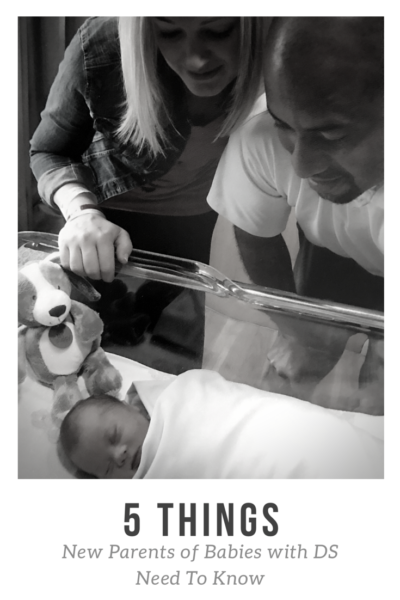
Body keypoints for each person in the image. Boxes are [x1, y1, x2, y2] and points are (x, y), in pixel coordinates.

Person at [207, 17, 384, 392]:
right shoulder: (259, 135)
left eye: (330, 133)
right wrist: (300, 330)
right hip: (328, 256)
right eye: (284, 125)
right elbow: (257, 239)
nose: (301, 166)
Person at [30, 17, 268, 282]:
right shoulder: (103, 42)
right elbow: (48, 152)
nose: (195, 60)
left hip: (199, 222)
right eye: (169, 33)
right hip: (100, 223)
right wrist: (81, 212)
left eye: (218, 31)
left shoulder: (279, 43)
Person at [59, 393, 150, 479]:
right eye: (108, 468)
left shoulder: (162, 405)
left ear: (130, 408)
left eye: (115, 436)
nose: (118, 456)